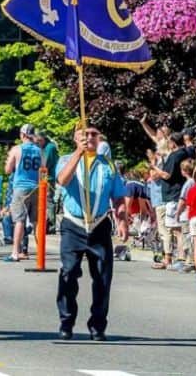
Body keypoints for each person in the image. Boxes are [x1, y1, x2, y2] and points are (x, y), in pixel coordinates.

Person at [55, 126, 128, 341]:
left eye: (93, 135)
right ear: (76, 138)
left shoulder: (108, 166)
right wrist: (78, 153)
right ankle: (66, 321)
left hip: (99, 225)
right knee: (68, 273)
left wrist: (122, 220)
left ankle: (98, 325)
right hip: (73, 224)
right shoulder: (65, 159)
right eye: (84, 135)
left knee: (103, 278)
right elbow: (62, 180)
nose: (89, 138)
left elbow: (119, 197)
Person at [3, 123, 42, 262]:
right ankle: (40, 252)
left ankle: (15, 252)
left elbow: (8, 170)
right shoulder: (39, 150)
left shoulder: (17, 149)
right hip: (36, 188)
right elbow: (43, 170)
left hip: (20, 187)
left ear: (23, 135)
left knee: (19, 220)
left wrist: (9, 162)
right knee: (36, 221)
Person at [151, 133, 190, 270]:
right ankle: (183, 257)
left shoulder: (175, 155)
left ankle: (181, 258)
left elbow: (167, 175)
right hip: (178, 193)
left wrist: (154, 168)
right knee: (178, 229)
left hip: (173, 195)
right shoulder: (186, 152)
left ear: (173, 142)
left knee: (176, 229)